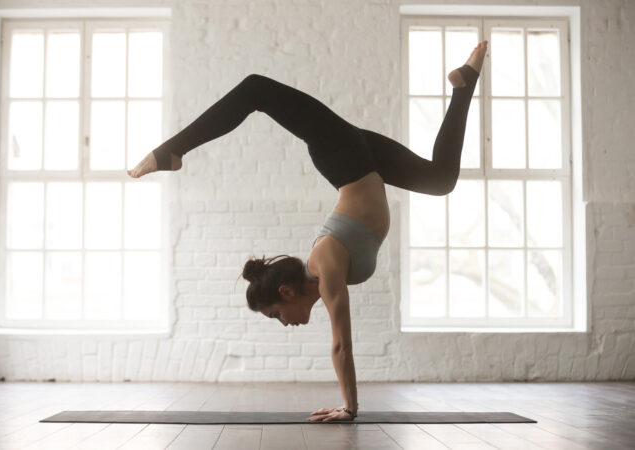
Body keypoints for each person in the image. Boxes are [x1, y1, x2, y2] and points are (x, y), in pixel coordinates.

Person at [129, 41, 488, 422]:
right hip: (364, 159)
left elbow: (341, 346)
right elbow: (341, 344)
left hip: (344, 155)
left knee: (256, 90)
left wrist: (349, 409)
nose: (284, 323)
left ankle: (172, 151)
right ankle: (464, 85)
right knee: (440, 179)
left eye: (276, 315)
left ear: (286, 292)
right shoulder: (325, 269)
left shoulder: (326, 263)